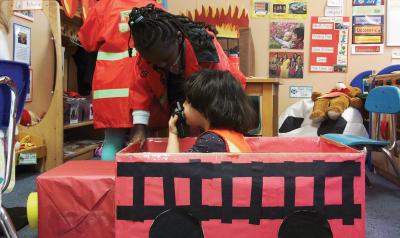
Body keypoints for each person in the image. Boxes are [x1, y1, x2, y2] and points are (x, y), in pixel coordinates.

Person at [127, 4, 247, 146]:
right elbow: (140, 92)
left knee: (213, 142)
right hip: (176, 98)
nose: (161, 66)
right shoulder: (146, 58)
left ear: (178, 38)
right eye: (154, 63)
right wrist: (140, 128)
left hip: (217, 101)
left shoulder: (204, 48)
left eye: (166, 60)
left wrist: (212, 135)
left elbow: (221, 93)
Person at [78, 0, 160, 160]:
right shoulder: (154, 6)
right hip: (145, 82)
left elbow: (87, 42)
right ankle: (144, 184)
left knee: (112, 141)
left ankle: (109, 184)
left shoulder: (103, 6)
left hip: (111, 88)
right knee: (147, 142)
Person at [166, 70, 256, 153]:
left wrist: (172, 133)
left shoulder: (210, 142)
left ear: (204, 108)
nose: (183, 105)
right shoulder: (232, 137)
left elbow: (174, 168)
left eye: (188, 101)